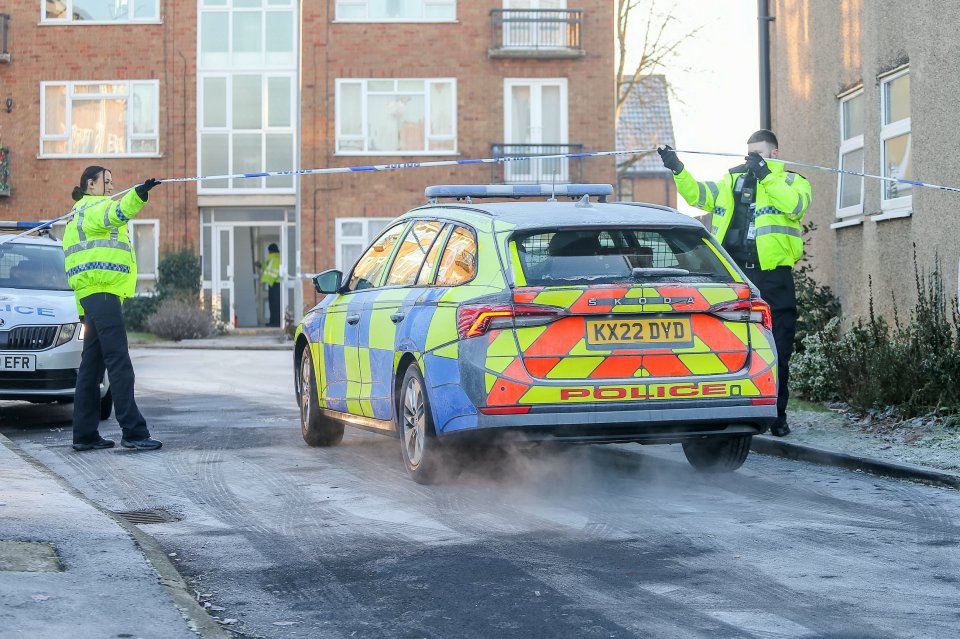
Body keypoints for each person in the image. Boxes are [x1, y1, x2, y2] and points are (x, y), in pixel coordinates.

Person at [658, 130, 811, 437]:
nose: (752, 160)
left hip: (773, 277)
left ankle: (778, 416)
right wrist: (678, 169)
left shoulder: (793, 180)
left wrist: (766, 174)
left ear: (775, 154)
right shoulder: (732, 181)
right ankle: (731, 411)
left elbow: (795, 206)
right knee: (729, 345)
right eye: (749, 155)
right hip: (737, 277)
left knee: (778, 348)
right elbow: (698, 196)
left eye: (760, 154)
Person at [63, 165, 163, 451]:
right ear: (90, 184)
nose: (111, 185)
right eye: (106, 181)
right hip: (101, 292)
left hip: (91, 294)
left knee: (92, 367)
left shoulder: (80, 213)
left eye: (112, 181)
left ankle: (84, 435)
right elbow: (116, 213)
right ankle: (133, 431)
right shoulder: (93, 208)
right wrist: (139, 194)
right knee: (119, 361)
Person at [260, 243, 281, 327]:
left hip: (275, 283)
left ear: (270, 251)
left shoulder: (273, 258)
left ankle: (275, 322)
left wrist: (269, 280)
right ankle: (273, 322)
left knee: (274, 304)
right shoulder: (277, 258)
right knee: (274, 304)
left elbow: (273, 272)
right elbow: (269, 268)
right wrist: (261, 265)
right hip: (275, 283)